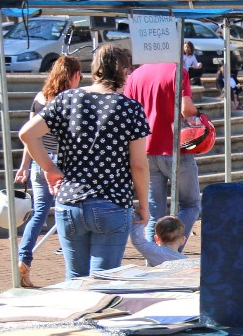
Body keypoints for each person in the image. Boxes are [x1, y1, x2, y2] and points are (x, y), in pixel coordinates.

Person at [19, 44, 150, 279]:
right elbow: (138, 164)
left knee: (75, 280)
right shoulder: (130, 108)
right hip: (112, 201)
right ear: (122, 71)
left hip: (70, 201)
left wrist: (49, 168)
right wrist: (143, 204)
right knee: (104, 282)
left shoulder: (68, 99)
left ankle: (75, 318)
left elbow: (27, 134)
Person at [14, 56, 82, 287]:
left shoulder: (40, 97)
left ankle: (24, 259)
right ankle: (73, 263)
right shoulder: (69, 100)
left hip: (38, 161)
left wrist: (24, 166)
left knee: (39, 212)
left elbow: (29, 137)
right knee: (66, 210)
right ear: (73, 75)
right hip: (60, 163)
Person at [123, 59, 201, 247]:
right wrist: (198, 116)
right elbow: (187, 108)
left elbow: (128, 112)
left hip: (145, 150)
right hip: (175, 147)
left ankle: (153, 257)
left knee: (153, 212)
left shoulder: (135, 76)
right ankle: (172, 249)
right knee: (191, 205)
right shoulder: (176, 71)